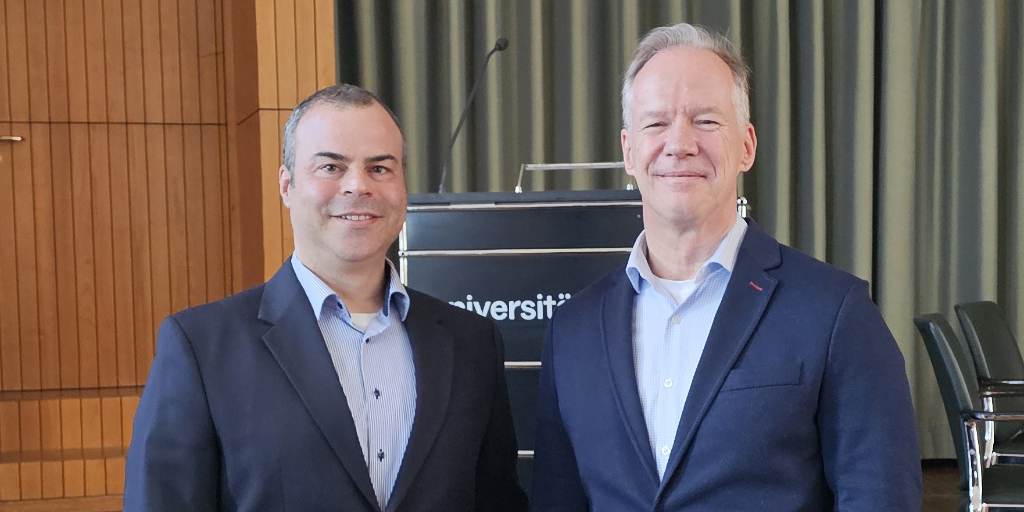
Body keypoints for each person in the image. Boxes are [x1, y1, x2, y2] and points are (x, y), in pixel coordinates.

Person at [531, 23, 921, 511]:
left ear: (747, 146)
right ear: (629, 152)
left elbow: (880, 500)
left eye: (706, 121)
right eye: (656, 123)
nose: (680, 143)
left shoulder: (835, 313)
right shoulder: (573, 331)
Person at [125, 84, 528, 512]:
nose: (357, 186)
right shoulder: (201, 347)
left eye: (380, 168)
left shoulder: (472, 343)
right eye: (332, 167)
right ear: (286, 184)